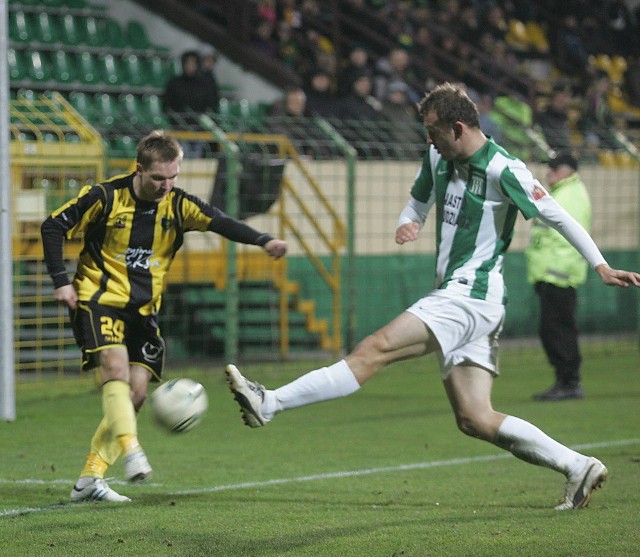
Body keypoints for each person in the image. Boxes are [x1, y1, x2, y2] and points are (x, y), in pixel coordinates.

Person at [225, 83, 640, 510]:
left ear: (458, 128)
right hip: (463, 299)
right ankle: (576, 465)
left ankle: (270, 402)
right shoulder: (437, 157)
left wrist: (601, 266)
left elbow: (558, 215)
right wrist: (411, 223)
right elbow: (416, 203)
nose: (428, 140)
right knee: (475, 418)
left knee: (373, 350)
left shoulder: (504, 169)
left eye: (434, 131)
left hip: (471, 295)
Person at [41, 130, 287, 503]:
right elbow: (53, 225)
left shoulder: (178, 205)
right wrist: (61, 281)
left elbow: (221, 222)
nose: (166, 186)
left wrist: (263, 239)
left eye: (173, 177)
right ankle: (132, 450)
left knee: (136, 393)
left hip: (144, 310)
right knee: (115, 368)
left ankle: (89, 480)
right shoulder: (104, 197)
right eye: (159, 178)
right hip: (97, 297)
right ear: (139, 170)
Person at [526, 153, 590, 401]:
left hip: (558, 275)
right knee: (556, 329)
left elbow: (566, 237)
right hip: (552, 273)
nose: (549, 172)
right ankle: (567, 380)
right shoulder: (564, 193)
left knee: (558, 330)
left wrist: (551, 271)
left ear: (569, 171)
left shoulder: (569, 195)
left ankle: (569, 382)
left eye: (555, 168)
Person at [163, 50, 219, 157]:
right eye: (187, 63)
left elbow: (211, 105)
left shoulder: (205, 85)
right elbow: (167, 105)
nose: (190, 66)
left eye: (193, 63)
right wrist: (177, 121)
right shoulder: (174, 83)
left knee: (197, 159)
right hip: (179, 129)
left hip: (200, 129)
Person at [535, 84, 573, 152]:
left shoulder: (565, 120)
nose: (563, 100)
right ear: (552, 99)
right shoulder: (541, 117)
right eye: (559, 97)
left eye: (565, 97)